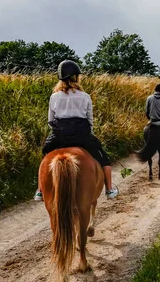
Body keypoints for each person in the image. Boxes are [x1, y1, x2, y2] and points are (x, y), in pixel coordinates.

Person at [34, 60, 119, 201]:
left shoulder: (54, 97)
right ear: (76, 77)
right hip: (82, 135)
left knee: (45, 153)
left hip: (60, 135)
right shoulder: (85, 96)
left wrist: (58, 131)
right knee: (103, 158)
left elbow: (51, 120)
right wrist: (88, 133)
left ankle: (40, 190)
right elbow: (89, 120)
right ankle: (109, 190)